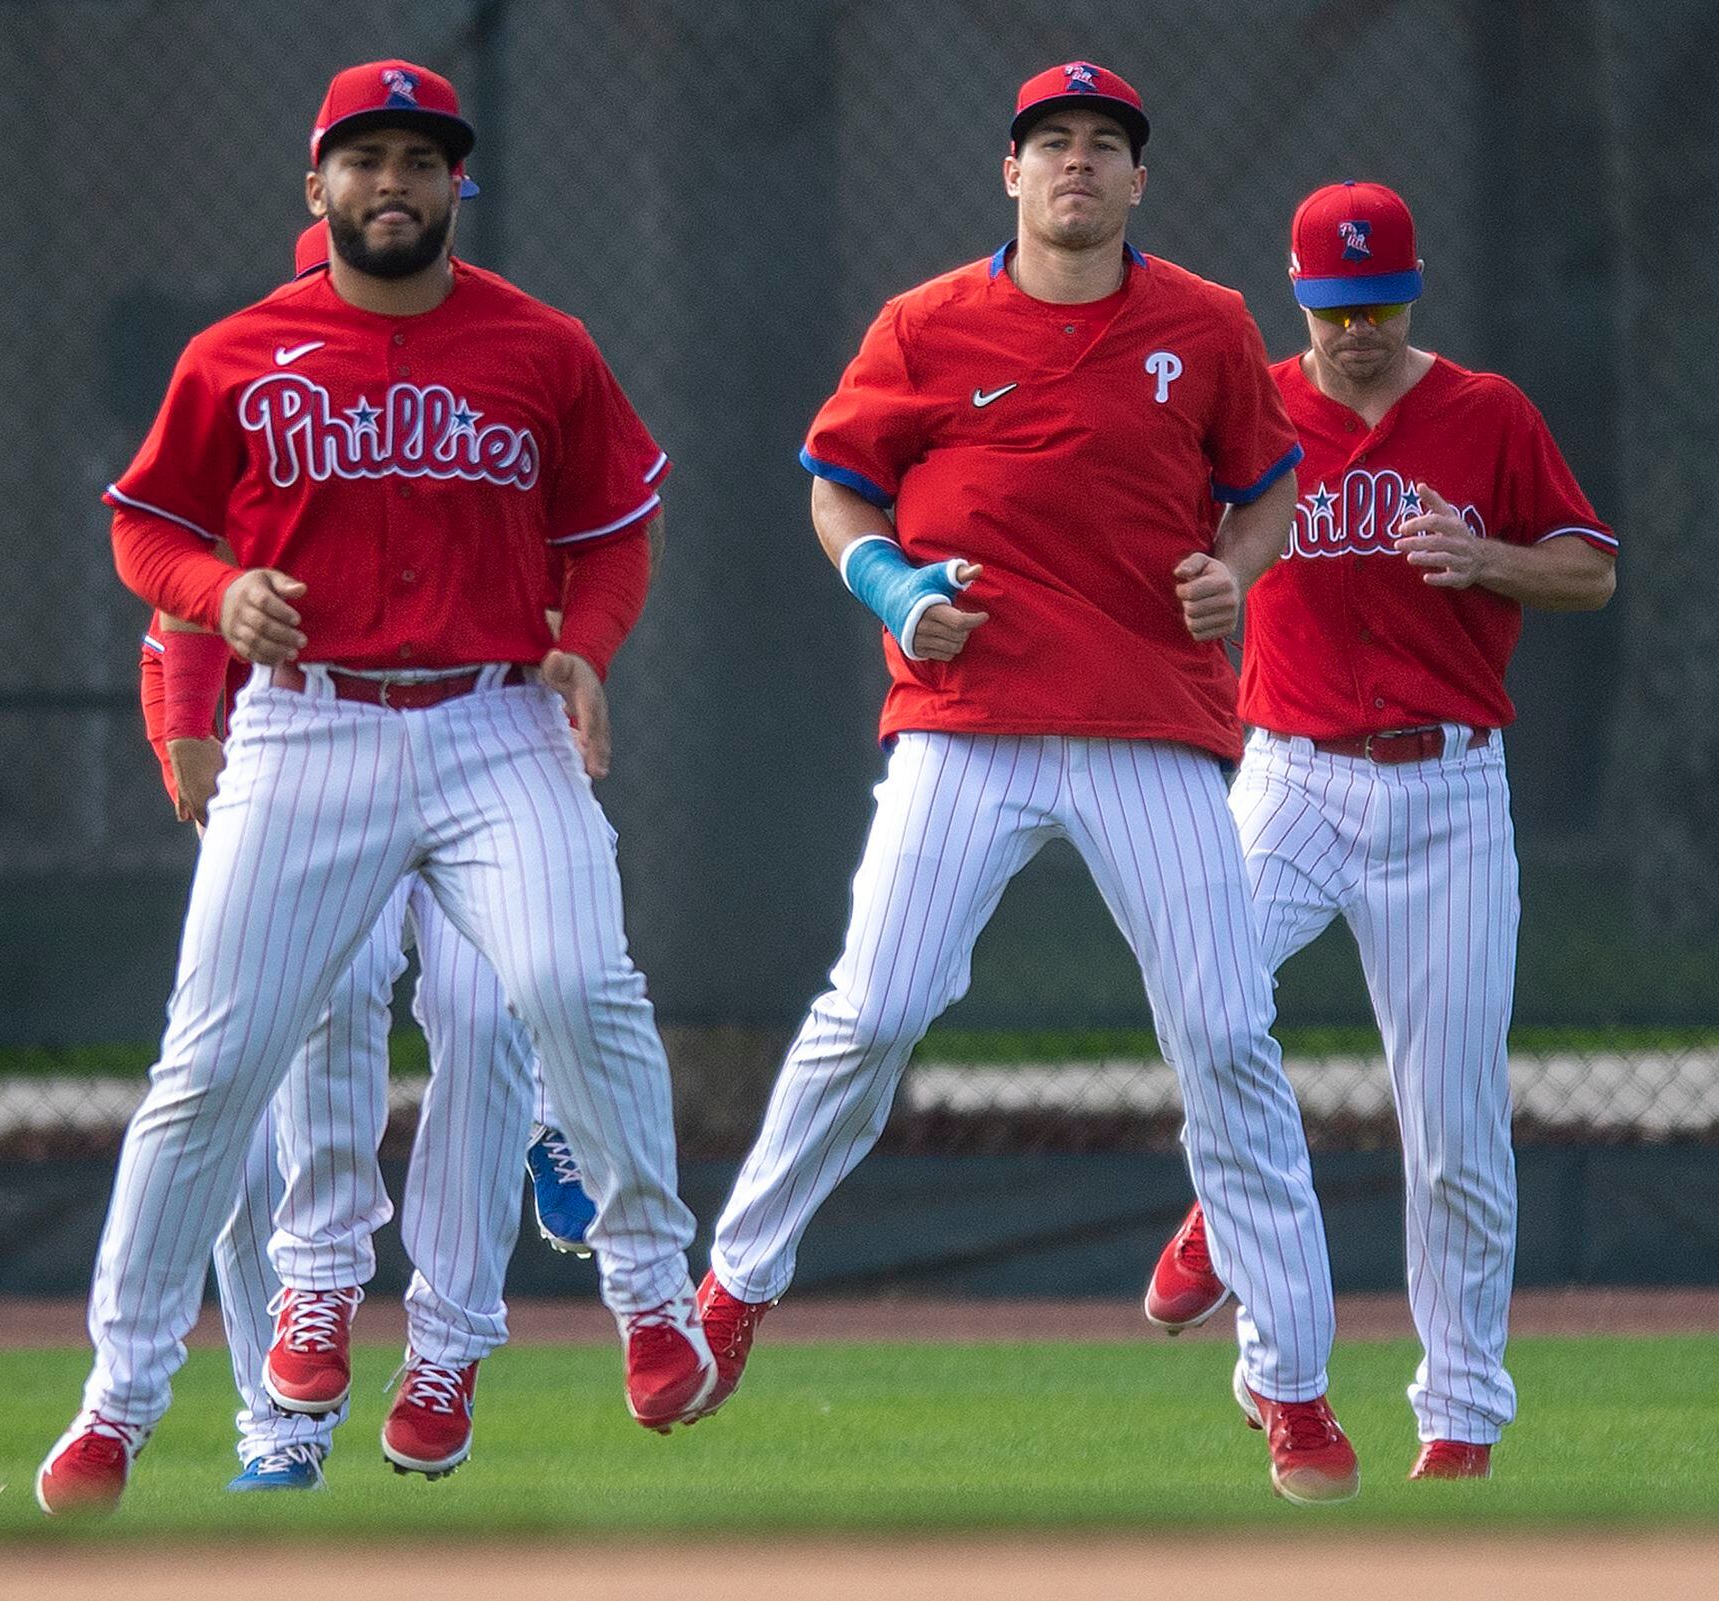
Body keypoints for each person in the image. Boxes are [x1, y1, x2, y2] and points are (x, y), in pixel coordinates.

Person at [37, 60, 711, 1516]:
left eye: (418, 158)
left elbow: (613, 532)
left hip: (495, 721)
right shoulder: (239, 353)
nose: (391, 181)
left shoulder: (543, 346)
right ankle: (118, 1404)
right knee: (211, 1069)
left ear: (458, 182)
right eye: (364, 159)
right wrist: (216, 595)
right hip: (310, 731)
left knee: (574, 985)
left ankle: (654, 1294)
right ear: (318, 186)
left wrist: (588, 645)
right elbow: (147, 529)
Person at [693, 61, 1359, 1506]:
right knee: (877, 1006)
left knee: (1226, 1035)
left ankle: (1293, 1379)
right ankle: (734, 1288)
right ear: (1010, 170)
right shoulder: (926, 324)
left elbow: (1269, 490)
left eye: (1105, 144)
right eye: (1052, 141)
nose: (1077, 163)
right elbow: (836, 488)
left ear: (1139, 179)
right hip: (968, 716)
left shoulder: (1205, 323)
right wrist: (890, 584)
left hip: (1148, 720)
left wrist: (1236, 572)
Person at [1139, 181, 1617, 1482]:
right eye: (1337, 308)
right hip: (1290, 772)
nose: (1359, 331)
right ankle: (1238, 1234)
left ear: (1413, 293)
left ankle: (1458, 1417)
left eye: (1380, 305)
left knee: (1454, 1127)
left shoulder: (1485, 412)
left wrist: (1489, 558)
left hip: (1447, 788)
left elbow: (1591, 567)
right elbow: (1161, 547)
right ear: (1301, 300)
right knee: (1204, 996)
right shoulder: (1251, 409)